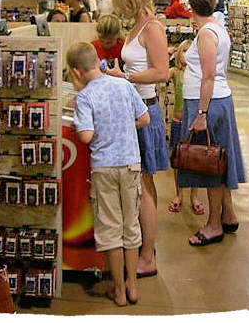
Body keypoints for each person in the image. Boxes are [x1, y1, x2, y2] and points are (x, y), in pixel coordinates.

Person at [67, 42, 150, 307]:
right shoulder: (123, 85)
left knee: (111, 229)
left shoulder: (85, 97)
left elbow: (87, 135)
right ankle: (133, 286)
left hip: (103, 167)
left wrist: (84, 125)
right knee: (131, 226)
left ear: (76, 72)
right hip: (130, 164)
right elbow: (145, 118)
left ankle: (119, 291)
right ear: (97, 61)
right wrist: (125, 124)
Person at [107, 0, 170, 278]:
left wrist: (126, 77)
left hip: (146, 112)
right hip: (134, 110)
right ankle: (146, 246)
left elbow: (162, 72)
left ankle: (148, 256)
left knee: (145, 185)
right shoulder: (137, 26)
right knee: (140, 184)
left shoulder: (152, 28)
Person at [179, 0, 245, 247]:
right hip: (217, 99)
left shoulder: (206, 33)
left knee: (209, 165)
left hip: (208, 103)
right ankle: (228, 214)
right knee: (219, 160)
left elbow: (208, 76)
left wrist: (202, 113)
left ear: (191, 7)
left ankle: (213, 225)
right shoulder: (216, 28)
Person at [167, 40, 204, 215]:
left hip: (192, 123)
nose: (186, 55)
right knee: (177, 160)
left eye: (190, 51)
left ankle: (194, 196)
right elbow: (160, 75)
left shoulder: (198, 74)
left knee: (195, 159)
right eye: (183, 51)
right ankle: (179, 194)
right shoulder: (174, 72)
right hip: (177, 122)